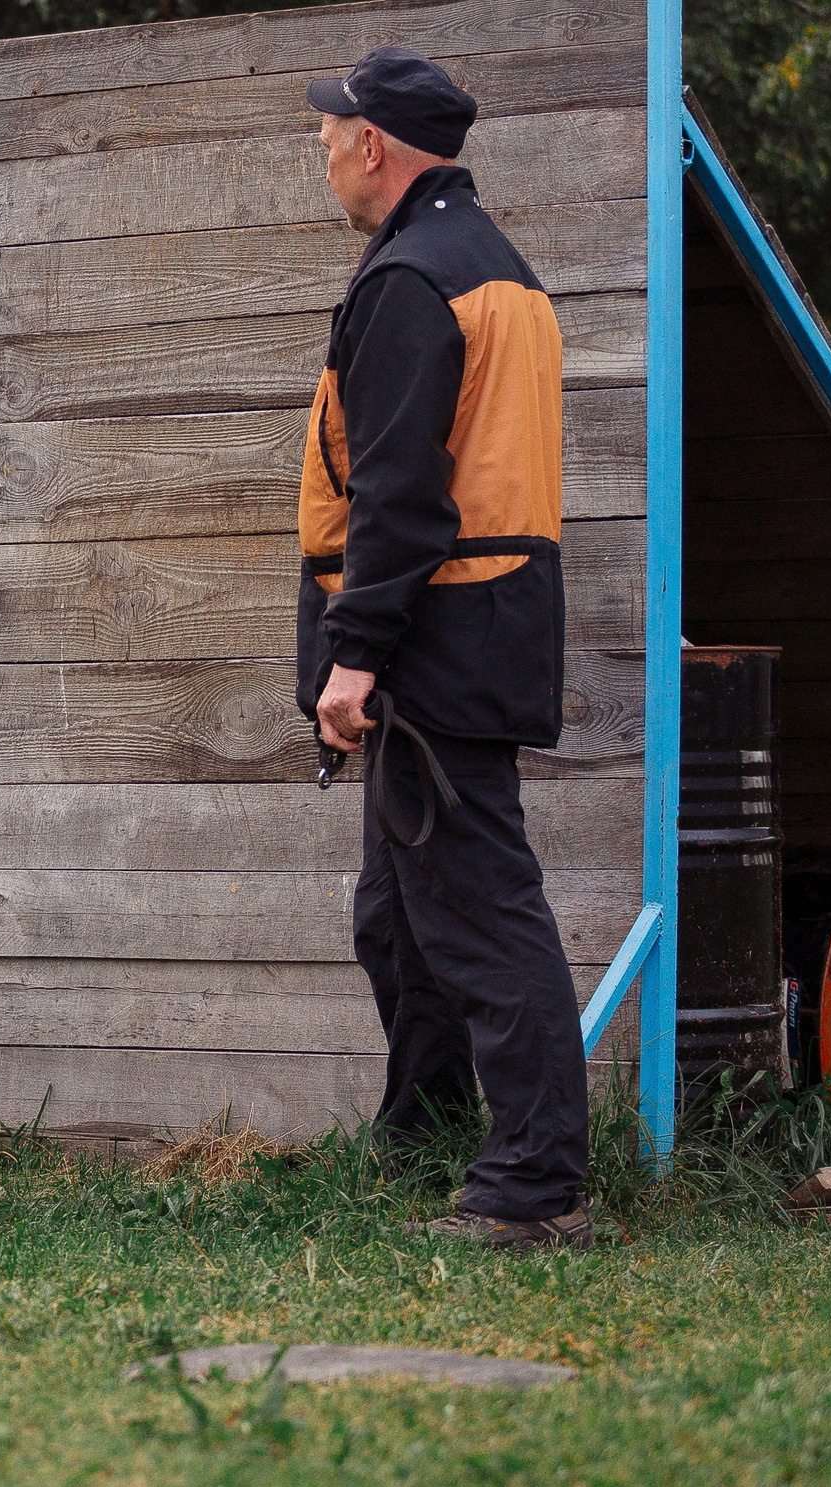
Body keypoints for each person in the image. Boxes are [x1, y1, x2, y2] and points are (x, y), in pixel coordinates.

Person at [296, 47, 593, 1248]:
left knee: (477, 912)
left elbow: (402, 494)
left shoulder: (414, 277)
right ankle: (423, 1132)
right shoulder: (494, 268)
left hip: (431, 644)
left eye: (330, 131)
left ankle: (532, 1186)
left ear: (374, 145)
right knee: (398, 914)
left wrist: (355, 654)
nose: (319, 148)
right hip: (478, 623)